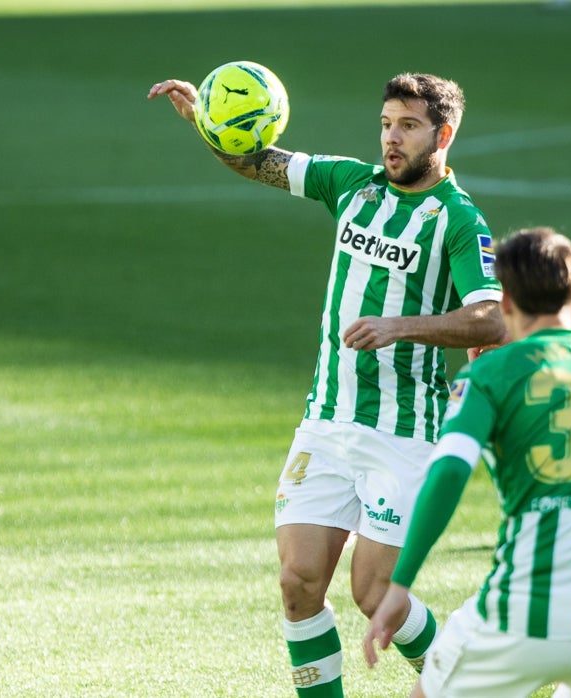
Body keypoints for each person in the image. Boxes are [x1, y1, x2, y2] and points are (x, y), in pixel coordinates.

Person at [148, 72, 506, 697]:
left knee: (373, 593)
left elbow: (492, 317)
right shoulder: (350, 183)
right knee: (298, 583)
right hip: (327, 421)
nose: (391, 139)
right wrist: (209, 123)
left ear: (442, 135)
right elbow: (257, 163)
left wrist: (400, 326)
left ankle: (466, 682)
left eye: (408, 127)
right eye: (386, 124)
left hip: (403, 434)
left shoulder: (457, 220)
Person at [363, 227, 571, 698]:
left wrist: (399, 584)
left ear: (505, 299)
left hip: (525, 613)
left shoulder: (489, 372)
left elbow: (449, 471)